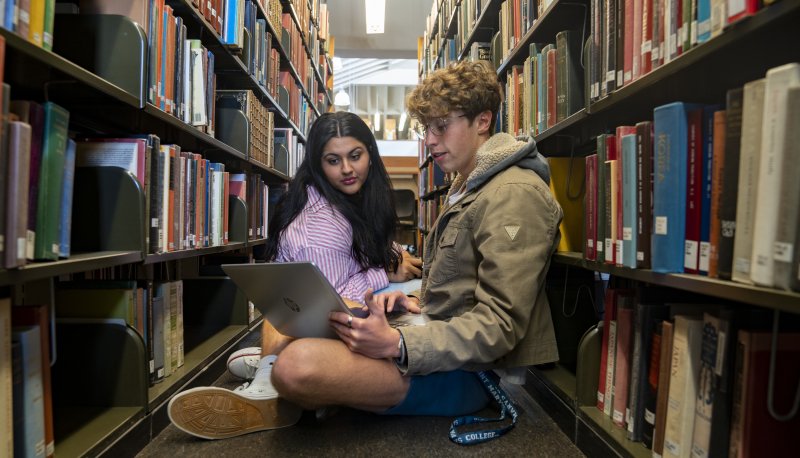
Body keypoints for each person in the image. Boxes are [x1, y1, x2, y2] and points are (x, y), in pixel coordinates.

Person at [168, 61, 562, 441]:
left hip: (470, 374)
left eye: (441, 127)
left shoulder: (512, 195)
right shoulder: (469, 185)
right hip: (433, 342)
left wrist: (396, 344)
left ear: (483, 120)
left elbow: (501, 327)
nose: (429, 140)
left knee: (297, 365)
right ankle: (288, 384)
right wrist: (411, 302)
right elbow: (461, 287)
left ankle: (283, 386)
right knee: (288, 307)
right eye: (427, 128)